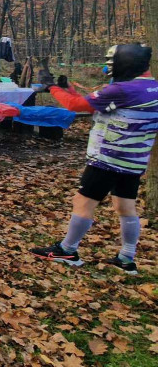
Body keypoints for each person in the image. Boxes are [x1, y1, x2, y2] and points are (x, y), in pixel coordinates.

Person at [29, 44, 157, 274]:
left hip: (108, 158)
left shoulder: (121, 89)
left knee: (83, 202)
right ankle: (127, 258)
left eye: (112, 62)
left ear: (125, 63)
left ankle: (67, 250)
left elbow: (77, 106)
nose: (109, 67)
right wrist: (68, 89)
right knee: (125, 206)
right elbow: (95, 106)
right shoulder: (151, 88)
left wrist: (52, 88)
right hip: (134, 161)